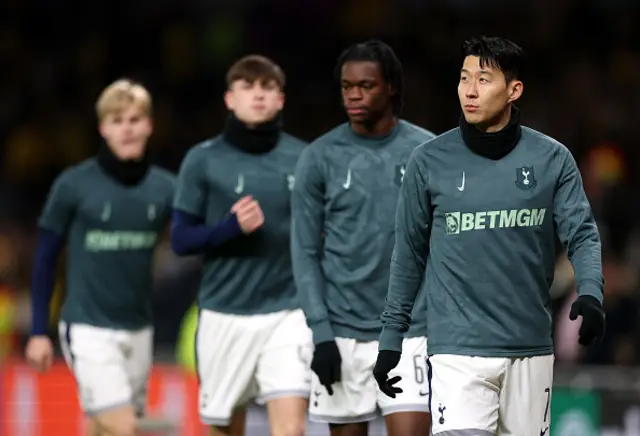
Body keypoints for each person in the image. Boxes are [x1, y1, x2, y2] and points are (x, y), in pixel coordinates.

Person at [374, 36, 606, 436]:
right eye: (464, 78)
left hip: (529, 348)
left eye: (483, 79)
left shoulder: (552, 159)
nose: (469, 89)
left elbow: (582, 234)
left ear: (514, 90)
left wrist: (591, 292)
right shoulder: (428, 161)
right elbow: (408, 252)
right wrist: (391, 335)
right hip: (456, 351)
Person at [292, 40, 436, 436]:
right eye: (346, 86)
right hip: (342, 333)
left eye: (365, 85)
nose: (353, 94)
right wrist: (321, 334)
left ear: (391, 86)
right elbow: (304, 252)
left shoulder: (426, 153)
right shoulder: (319, 157)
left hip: (411, 330)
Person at [25, 79, 176, 436]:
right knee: (125, 426)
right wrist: (37, 331)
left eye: (135, 119)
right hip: (88, 327)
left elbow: (194, 237)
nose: (127, 129)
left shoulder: (166, 188)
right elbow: (45, 258)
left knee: (104, 427)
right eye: (117, 120)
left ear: (149, 125)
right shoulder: (73, 185)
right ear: (103, 127)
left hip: (139, 327)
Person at [171, 55, 311, 436]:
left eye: (267, 87)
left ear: (280, 99)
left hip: (288, 312)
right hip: (224, 314)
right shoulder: (202, 160)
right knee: (225, 429)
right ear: (229, 99)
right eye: (247, 87)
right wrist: (228, 228)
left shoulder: (305, 159)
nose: (258, 95)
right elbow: (180, 239)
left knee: (292, 428)